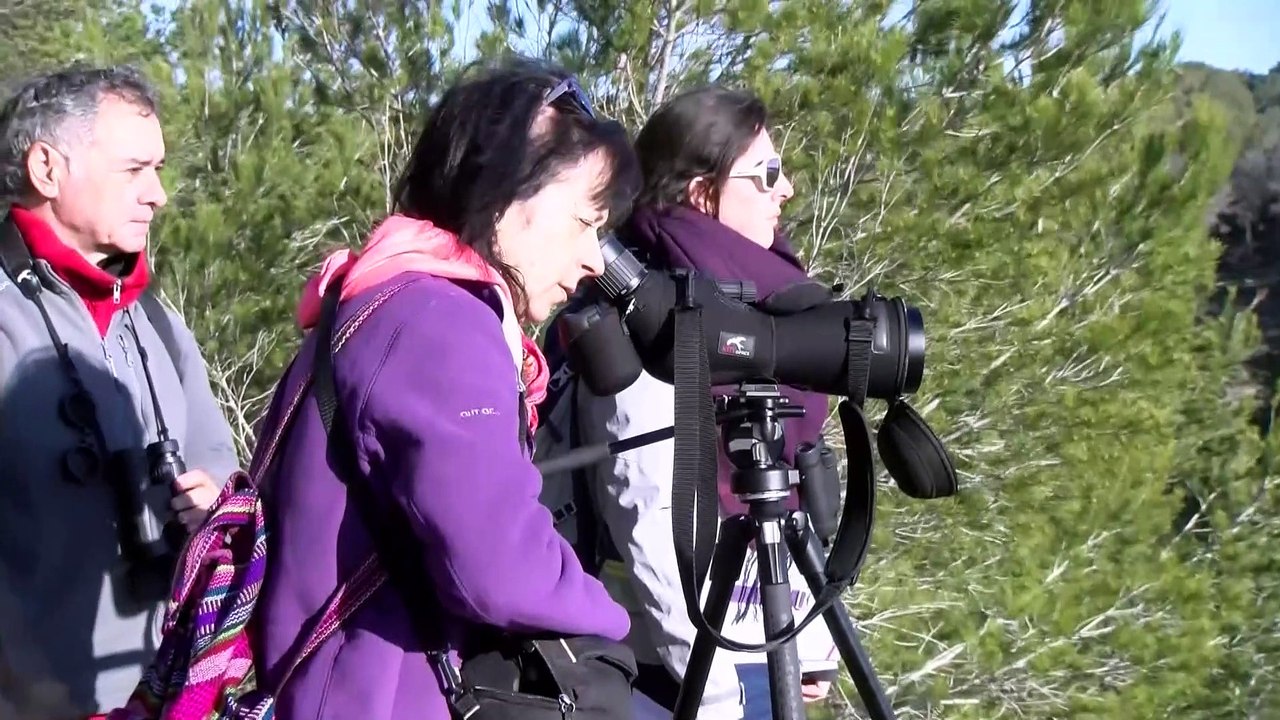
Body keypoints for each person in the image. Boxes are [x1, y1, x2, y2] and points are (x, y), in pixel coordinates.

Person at [250, 57, 642, 719]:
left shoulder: (384, 295)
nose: (592, 260)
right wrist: (612, 623)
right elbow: (501, 564)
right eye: (583, 223)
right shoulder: (441, 322)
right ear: (504, 192)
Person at [541, 86, 841, 719]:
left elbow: (779, 483)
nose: (785, 189)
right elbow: (651, 518)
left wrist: (808, 640)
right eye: (767, 174)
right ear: (704, 194)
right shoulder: (655, 322)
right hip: (669, 676)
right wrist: (720, 700)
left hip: (753, 650)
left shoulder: (761, 305)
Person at [0, 65, 240, 715]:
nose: (158, 194)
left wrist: (212, 495)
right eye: (134, 170)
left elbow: (217, 456)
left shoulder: (156, 322)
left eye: (158, 169)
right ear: (47, 169)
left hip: (158, 690)